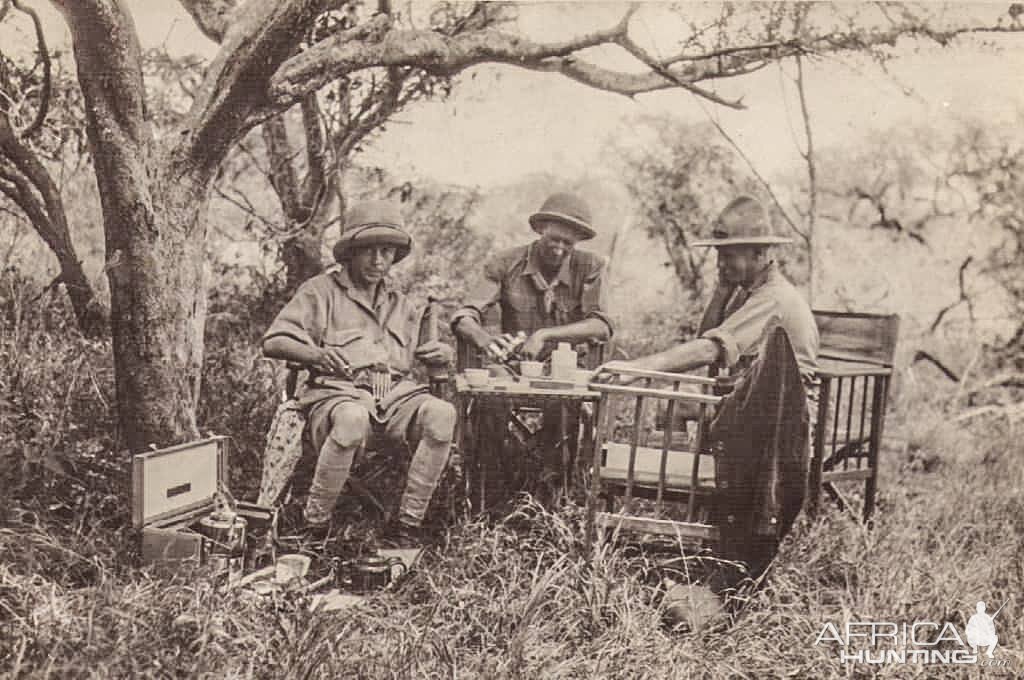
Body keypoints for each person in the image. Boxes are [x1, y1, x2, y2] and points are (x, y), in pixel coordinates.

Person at [262, 199, 456, 544]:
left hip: (395, 400)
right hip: (338, 396)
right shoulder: (320, 292)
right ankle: (314, 527)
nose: (378, 261)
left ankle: (407, 526)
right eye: (369, 251)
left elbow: (423, 359)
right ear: (350, 252)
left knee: (442, 414)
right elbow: (274, 341)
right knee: (352, 418)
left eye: (387, 251)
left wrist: (440, 353)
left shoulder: (402, 304)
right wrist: (317, 354)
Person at [601, 195, 819, 391]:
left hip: (785, 411)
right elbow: (707, 338)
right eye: (719, 255)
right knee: (677, 398)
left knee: (681, 402)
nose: (720, 264)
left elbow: (709, 350)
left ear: (759, 254)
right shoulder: (747, 290)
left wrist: (637, 368)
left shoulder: (773, 297)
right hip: (754, 398)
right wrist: (722, 291)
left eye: (728, 256)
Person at [451, 192, 614, 363]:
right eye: (554, 239)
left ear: (578, 240)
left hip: (570, 371)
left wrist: (543, 335)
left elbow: (601, 326)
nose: (559, 249)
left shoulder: (591, 266)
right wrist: (484, 339)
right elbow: (464, 317)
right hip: (515, 367)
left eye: (568, 243)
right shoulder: (505, 263)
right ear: (540, 229)